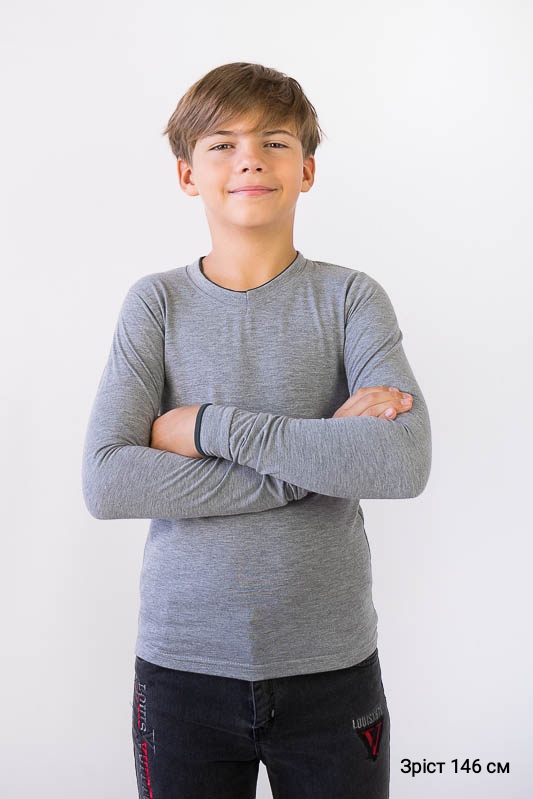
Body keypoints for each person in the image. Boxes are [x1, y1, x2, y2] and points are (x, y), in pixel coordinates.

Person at [82, 61, 431, 799]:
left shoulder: (351, 299)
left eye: (274, 142)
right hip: (181, 671)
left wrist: (209, 425)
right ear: (188, 174)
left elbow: (401, 462)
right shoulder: (155, 305)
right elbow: (109, 481)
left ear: (306, 170)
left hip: (332, 669)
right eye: (222, 144)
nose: (250, 159)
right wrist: (318, 455)